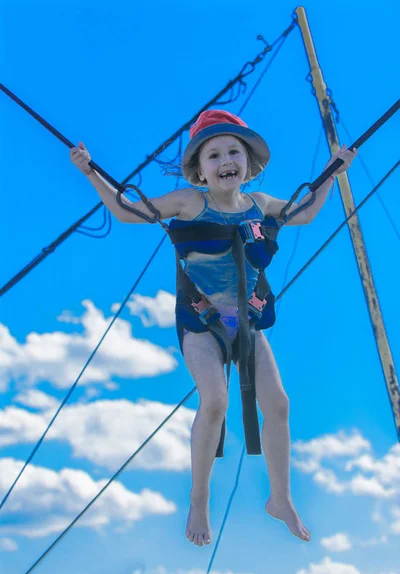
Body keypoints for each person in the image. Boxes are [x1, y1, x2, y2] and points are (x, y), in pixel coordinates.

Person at [70, 109, 357, 548]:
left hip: (246, 321)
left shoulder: (260, 205)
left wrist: (334, 172)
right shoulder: (188, 202)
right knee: (216, 400)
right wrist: (91, 170)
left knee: (278, 403)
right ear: (200, 170)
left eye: (233, 152)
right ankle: (199, 497)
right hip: (201, 321)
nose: (225, 160)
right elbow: (127, 210)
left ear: (248, 163)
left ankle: (280, 498)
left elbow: (304, 212)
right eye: (214, 154)